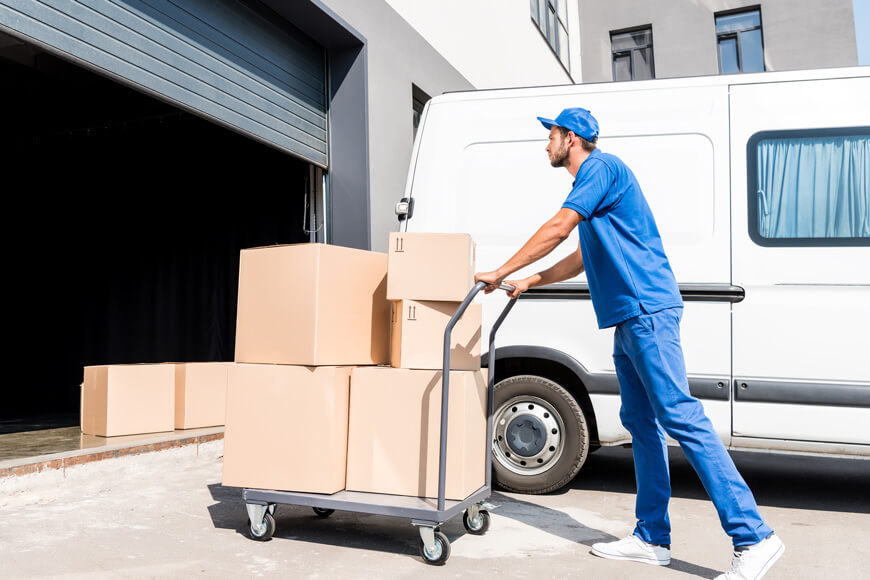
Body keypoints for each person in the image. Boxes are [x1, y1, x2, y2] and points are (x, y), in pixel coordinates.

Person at [474, 107, 785, 580]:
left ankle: (754, 536)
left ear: (570, 137)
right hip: (628, 318)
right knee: (641, 422)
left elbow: (559, 228)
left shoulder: (601, 168)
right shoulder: (594, 188)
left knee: (679, 414)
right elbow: (581, 256)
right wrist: (531, 279)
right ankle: (651, 538)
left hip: (647, 311)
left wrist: (500, 270)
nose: (546, 144)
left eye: (550, 135)